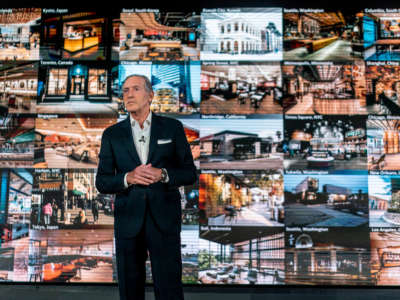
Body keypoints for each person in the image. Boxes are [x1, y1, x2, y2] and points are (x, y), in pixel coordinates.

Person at [95, 74, 196, 300]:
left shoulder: (172, 127)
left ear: (150, 95)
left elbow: (190, 173)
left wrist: (164, 174)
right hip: (128, 222)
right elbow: (102, 181)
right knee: (130, 291)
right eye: (125, 90)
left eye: (135, 89)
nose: (128, 94)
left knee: (169, 289)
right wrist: (128, 178)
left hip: (165, 221)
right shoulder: (112, 134)